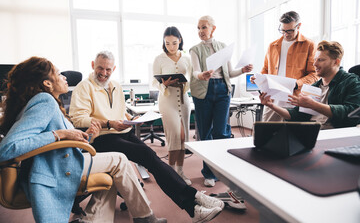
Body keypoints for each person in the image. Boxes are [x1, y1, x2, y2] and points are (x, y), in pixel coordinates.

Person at [0, 57, 166, 223]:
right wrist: (60, 134)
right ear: (47, 83)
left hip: (61, 160)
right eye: (58, 74)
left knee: (111, 170)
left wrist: (87, 135)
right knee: (119, 159)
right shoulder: (44, 101)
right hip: (55, 166)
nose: (65, 77)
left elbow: (65, 142)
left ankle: (92, 221)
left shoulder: (50, 102)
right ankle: (145, 218)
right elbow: (7, 148)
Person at [69, 51, 225, 223]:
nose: (103, 73)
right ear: (92, 65)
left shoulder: (115, 85)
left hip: (121, 132)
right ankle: (193, 205)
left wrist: (131, 119)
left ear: (114, 69)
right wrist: (108, 123)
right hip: (101, 138)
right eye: (100, 68)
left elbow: (120, 112)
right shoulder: (84, 87)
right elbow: (78, 119)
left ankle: (194, 200)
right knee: (146, 156)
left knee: (153, 158)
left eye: (108, 69)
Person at [189, 15, 253, 187]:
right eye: (198, 28)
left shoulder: (223, 48)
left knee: (222, 133)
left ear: (213, 28)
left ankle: (222, 171)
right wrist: (202, 75)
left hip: (223, 90)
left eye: (203, 27)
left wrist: (243, 70)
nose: (200, 31)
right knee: (205, 133)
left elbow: (230, 73)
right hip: (204, 90)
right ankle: (208, 173)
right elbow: (195, 71)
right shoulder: (194, 49)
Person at [259, 40, 360, 129]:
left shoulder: (351, 81)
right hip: (311, 132)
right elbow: (296, 115)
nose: (315, 64)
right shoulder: (315, 86)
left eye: (320, 60)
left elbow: (352, 111)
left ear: (336, 62)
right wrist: (271, 105)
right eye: (315, 59)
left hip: (333, 134)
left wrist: (313, 104)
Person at [260, 11, 319, 122]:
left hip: (295, 99)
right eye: (283, 30)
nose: (286, 34)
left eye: (290, 30)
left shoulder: (309, 45)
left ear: (299, 26)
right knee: (267, 132)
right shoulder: (272, 46)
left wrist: (297, 84)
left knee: (292, 135)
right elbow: (266, 69)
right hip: (272, 98)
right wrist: (259, 78)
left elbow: (314, 74)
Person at [152, 26, 192, 185]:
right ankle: (170, 173)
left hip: (183, 98)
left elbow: (192, 78)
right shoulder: (159, 59)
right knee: (174, 135)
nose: (171, 46)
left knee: (183, 137)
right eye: (167, 43)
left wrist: (186, 82)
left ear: (180, 40)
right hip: (167, 100)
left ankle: (180, 171)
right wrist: (164, 84)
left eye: (174, 43)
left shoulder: (187, 58)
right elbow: (154, 81)